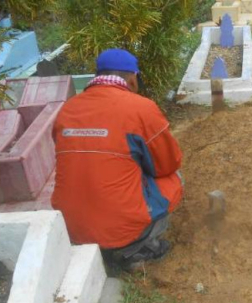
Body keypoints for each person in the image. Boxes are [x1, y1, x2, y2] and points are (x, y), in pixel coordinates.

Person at [51, 48, 183, 270]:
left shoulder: (68, 109)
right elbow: (168, 163)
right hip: (120, 229)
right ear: (132, 79)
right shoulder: (140, 108)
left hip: (70, 226)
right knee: (174, 179)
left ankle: (103, 239)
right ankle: (136, 247)